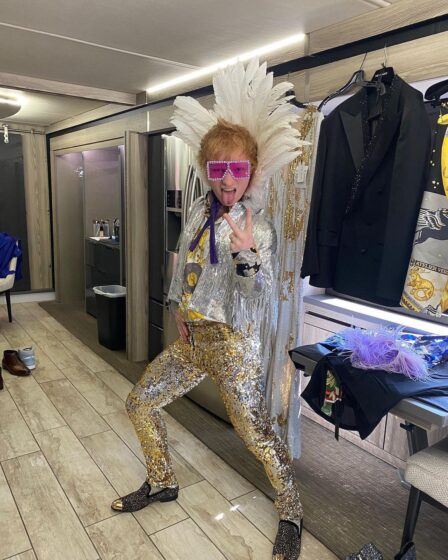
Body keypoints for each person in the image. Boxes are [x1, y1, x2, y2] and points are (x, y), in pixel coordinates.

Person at [111, 59, 305, 560]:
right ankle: (162, 480)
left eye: (237, 170)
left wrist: (246, 255)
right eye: (218, 170)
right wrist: (177, 305)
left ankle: (292, 511)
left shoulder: (257, 228)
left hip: (234, 346)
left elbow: (260, 298)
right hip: (193, 339)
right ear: (207, 170)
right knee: (139, 402)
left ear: (252, 171)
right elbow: (185, 261)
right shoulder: (199, 210)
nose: (227, 180)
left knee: (255, 435)